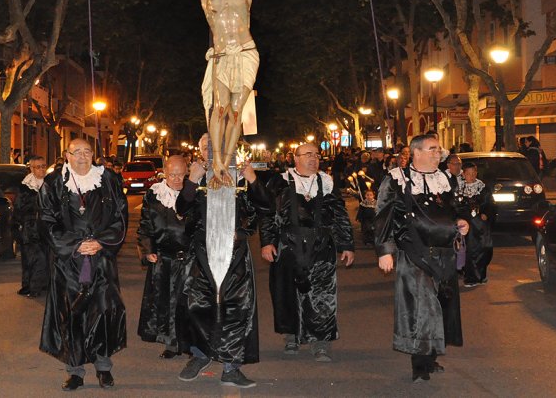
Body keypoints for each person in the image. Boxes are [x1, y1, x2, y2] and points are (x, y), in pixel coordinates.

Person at [120, 0, 332, 187]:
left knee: (235, 112)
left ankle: (227, 161)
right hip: (221, 54)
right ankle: (217, 164)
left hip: (245, 53)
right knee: (217, 111)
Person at [374, 135, 470, 382]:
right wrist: (385, 251)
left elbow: (456, 209)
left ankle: (432, 355)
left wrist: (462, 221)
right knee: (420, 307)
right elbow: (383, 216)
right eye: (432, 149)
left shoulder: (446, 179)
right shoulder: (396, 179)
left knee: (439, 304)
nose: (438, 153)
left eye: (439, 149)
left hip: (444, 253)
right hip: (415, 253)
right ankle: (419, 362)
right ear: (416, 152)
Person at [174, 134, 266, 389]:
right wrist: (191, 180)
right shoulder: (197, 176)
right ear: (201, 152)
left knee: (236, 308)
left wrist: (253, 180)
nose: (212, 151)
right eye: (206, 147)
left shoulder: (240, 177)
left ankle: (231, 367)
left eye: (217, 146)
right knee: (197, 305)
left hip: (234, 255)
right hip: (201, 254)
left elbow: (265, 209)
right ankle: (199, 356)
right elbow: (182, 209)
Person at [38, 139, 128, 391]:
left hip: (101, 260)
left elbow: (121, 216)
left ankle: (103, 368)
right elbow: (46, 220)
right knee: (72, 314)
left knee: (102, 312)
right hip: (69, 262)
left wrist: (101, 242)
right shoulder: (53, 183)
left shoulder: (108, 179)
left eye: (87, 151)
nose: (82, 157)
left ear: (93, 155)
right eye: (76, 152)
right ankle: (75, 371)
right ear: (66, 155)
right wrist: (75, 244)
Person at [259, 143, 355, 362]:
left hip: (321, 247)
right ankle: (291, 335)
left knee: (322, 296)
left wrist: (346, 245)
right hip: (287, 246)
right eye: (308, 154)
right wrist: (267, 242)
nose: (314, 158)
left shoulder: (327, 182)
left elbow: (340, 215)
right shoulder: (279, 182)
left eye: (317, 154)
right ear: (295, 158)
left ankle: (320, 342)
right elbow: (266, 214)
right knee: (287, 293)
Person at [137, 156, 192, 359]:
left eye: (180, 174)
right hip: (164, 260)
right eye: (172, 174)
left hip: (189, 260)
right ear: (164, 173)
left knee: (188, 304)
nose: (177, 179)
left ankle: (191, 344)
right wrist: (146, 250)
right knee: (167, 303)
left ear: (187, 172)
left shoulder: (194, 193)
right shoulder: (154, 196)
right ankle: (171, 344)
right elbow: (145, 226)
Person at [455, 162, 495, 287]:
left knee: (485, 248)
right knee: (470, 251)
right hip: (467, 225)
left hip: (481, 225)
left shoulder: (482, 187)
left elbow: (491, 204)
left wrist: (486, 213)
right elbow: (455, 205)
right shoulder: (459, 188)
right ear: (463, 174)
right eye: (468, 174)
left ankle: (481, 275)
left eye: (474, 173)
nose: (471, 176)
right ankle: (471, 278)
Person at [15, 155, 49, 298]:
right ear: (31, 168)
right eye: (38, 167)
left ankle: (42, 285)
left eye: (43, 166)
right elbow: (19, 208)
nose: (41, 170)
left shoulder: (50, 183)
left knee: (45, 258)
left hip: (47, 227)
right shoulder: (25, 186)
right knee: (31, 258)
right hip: (31, 228)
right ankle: (30, 286)